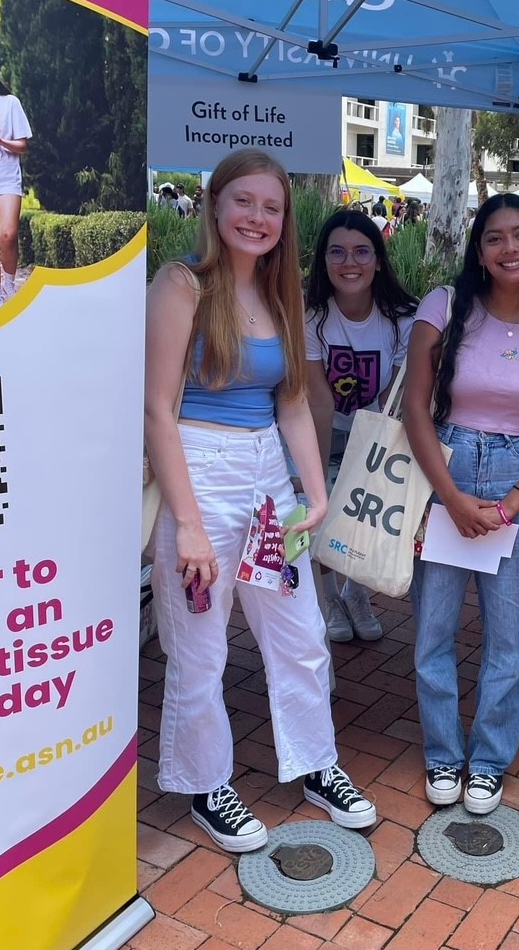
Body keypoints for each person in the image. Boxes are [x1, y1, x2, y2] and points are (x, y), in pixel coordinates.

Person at [144, 149, 376, 853]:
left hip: (268, 485)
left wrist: (316, 491)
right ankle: (206, 782)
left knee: (301, 636)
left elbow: (295, 405)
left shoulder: (279, 295)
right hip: (199, 473)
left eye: (270, 207)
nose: (257, 217)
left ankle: (316, 764)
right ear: (215, 205)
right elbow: (155, 409)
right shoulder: (181, 283)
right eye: (243, 202)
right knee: (201, 646)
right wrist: (185, 525)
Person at [403, 193, 519, 815]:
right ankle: (443, 755)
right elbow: (415, 412)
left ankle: (487, 762)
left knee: (511, 636)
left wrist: (512, 505)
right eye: (495, 238)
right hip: (445, 469)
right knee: (433, 627)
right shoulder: (445, 308)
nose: (510, 249)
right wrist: (451, 498)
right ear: (478, 251)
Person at [304, 208, 417, 642]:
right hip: (325, 425)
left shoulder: (402, 317)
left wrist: (372, 455)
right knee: (325, 508)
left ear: (378, 259)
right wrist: (314, 473)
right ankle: (329, 593)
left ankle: (357, 591)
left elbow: (398, 394)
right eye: (337, 252)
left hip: (376, 427)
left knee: (371, 514)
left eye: (361, 252)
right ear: (324, 260)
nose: (349, 263)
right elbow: (316, 395)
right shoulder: (312, 315)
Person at [0, 51, 32, 309]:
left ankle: (9, 284)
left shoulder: (10, 103)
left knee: (7, 234)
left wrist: (0, 141)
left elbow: (23, 145)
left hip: (5, 179)